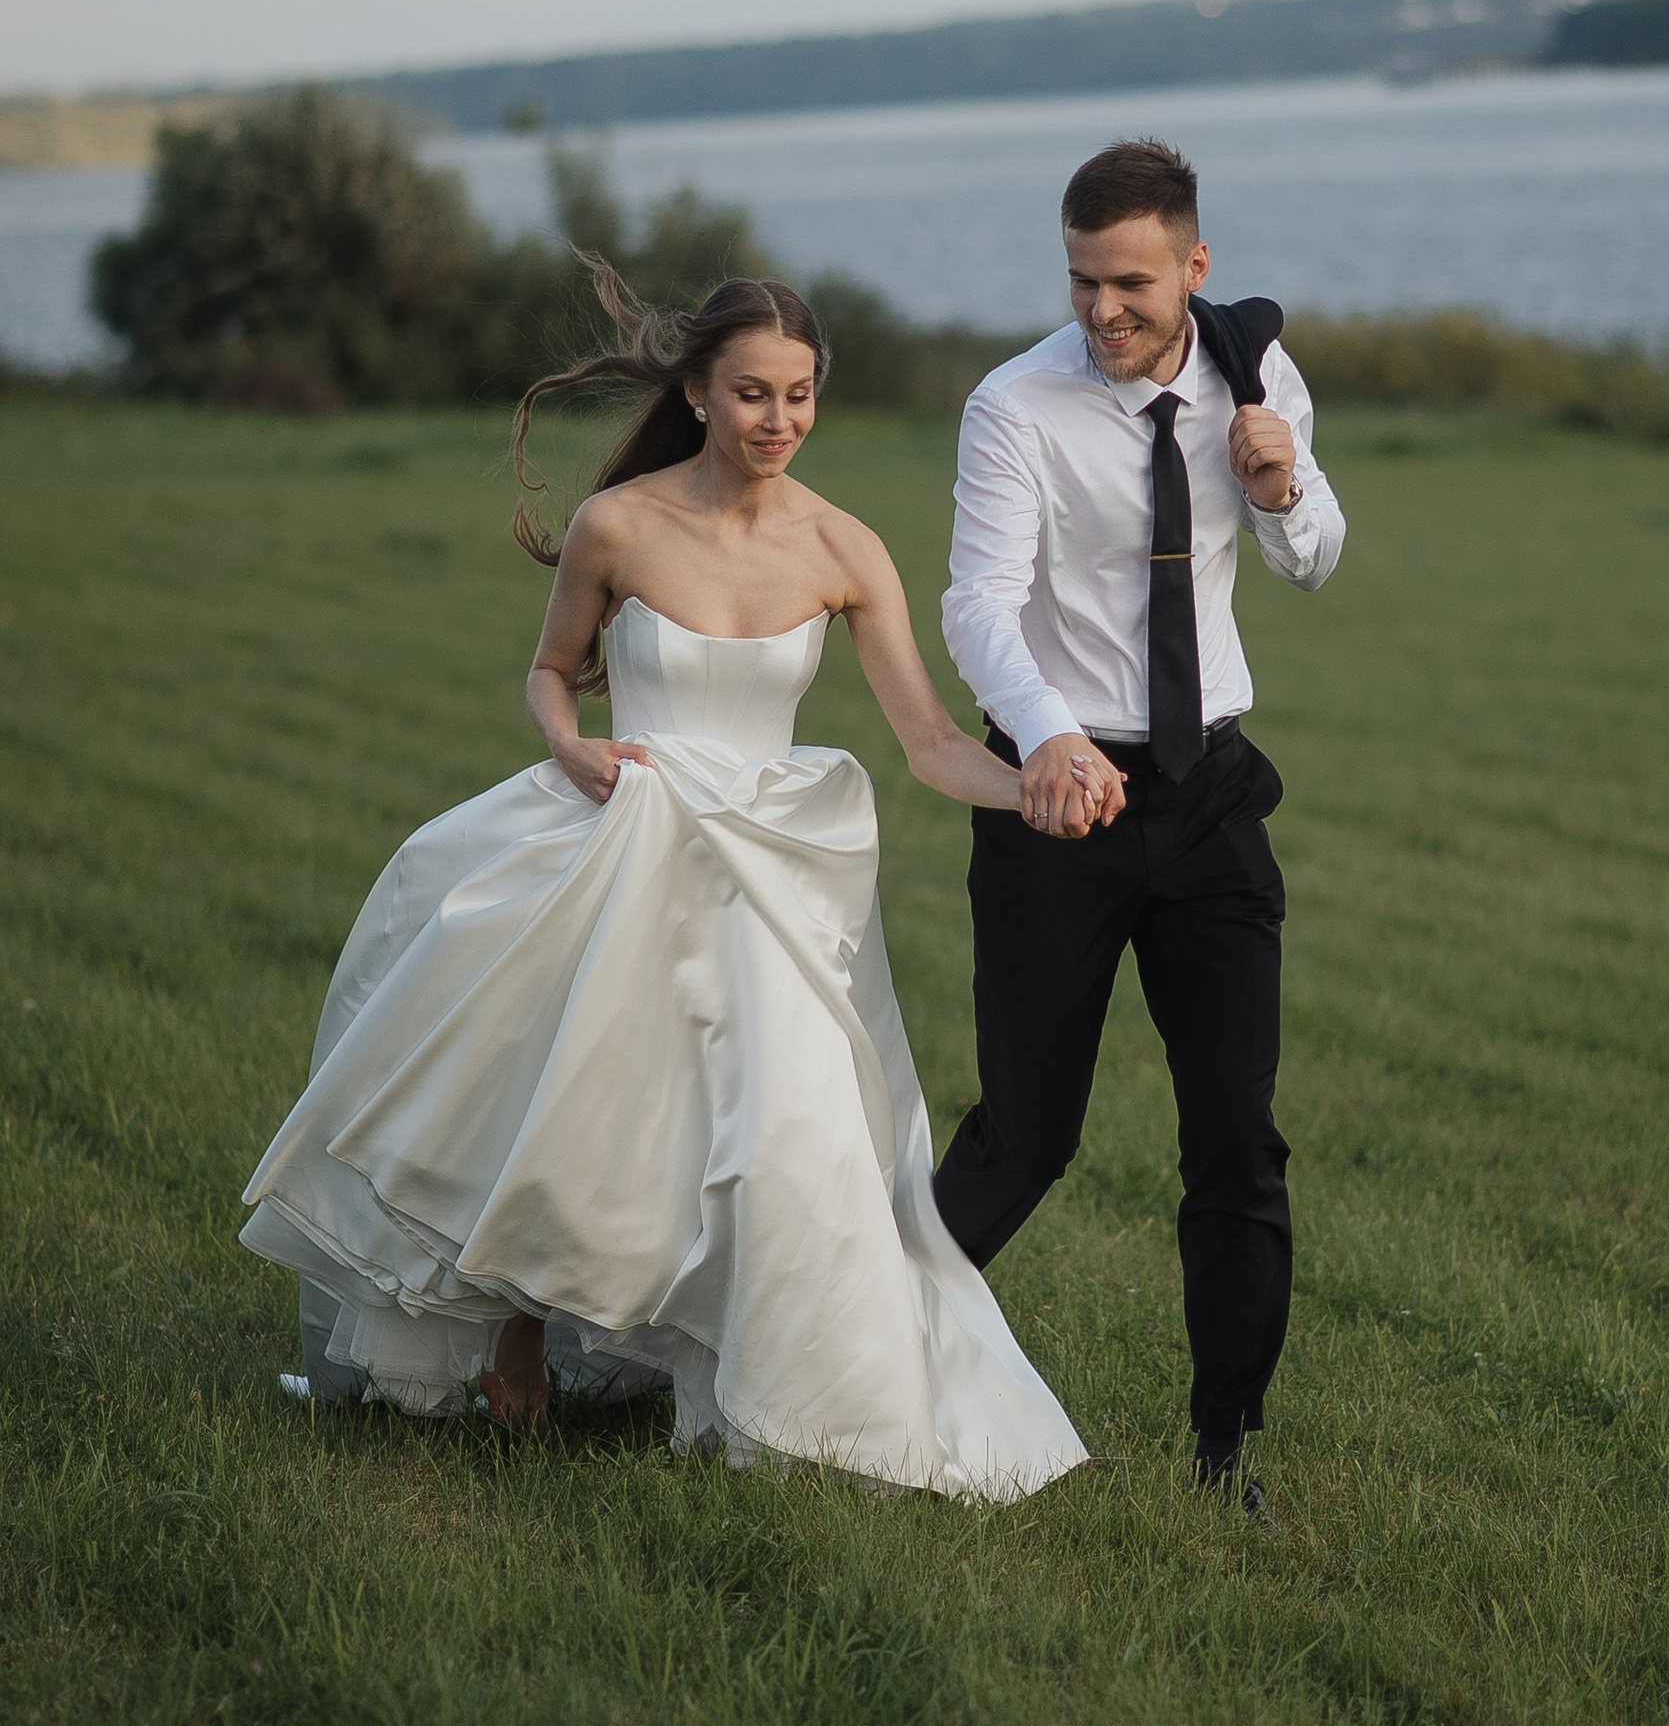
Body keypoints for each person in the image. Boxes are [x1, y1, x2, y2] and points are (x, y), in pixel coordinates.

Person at [243, 268, 1086, 1503]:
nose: (779, 418)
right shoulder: (619, 525)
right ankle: (515, 1331)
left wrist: (1037, 787)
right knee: (572, 1094)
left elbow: (928, 740)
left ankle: (744, 1378)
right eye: (752, 393)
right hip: (626, 832)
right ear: (696, 390)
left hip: (765, 870)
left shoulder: (843, 546)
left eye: (799, 394)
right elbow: (551, 667)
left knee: (773, 1126)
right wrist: (568, 744)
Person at [933, 137, 1346, 1510]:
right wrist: (1046, 733)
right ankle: (853, 1367)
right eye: (1081, 282)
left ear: (1193, 265)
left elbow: (1314, 558)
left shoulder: (1257, 372)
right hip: (1060, 800)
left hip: (1211, 796)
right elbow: (979, 602)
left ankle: (1227, 1449)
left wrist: (1281, 490)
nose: (1102, 311)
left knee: (1236, 1137)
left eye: (1130, 285)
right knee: (1025, 1135)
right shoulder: (1015, 405)